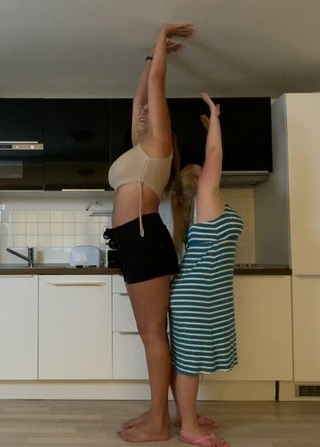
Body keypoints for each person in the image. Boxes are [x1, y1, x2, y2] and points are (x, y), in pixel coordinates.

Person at [102, 22, 193, 443]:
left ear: (160, 124)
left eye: (149, 114)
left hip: (144, 239)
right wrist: (147, 59)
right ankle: (156, 411)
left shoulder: (160, 147)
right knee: (150, 334)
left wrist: (160, 39)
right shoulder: (136, 150)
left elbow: (155, 87)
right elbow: (140, 96)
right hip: (131, 242)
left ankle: (159, 423)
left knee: (154, 334)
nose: (141, 114)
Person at [167, 92, 242, 447]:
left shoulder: (203, 207)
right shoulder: (207, 200)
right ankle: (189, 428)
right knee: (189, 364)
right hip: (196, 297)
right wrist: (215, 118)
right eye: (203, 172)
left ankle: (187, 415)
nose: (210, 170)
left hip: (202, 294)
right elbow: (214, 153)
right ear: (199, 184)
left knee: (187, 360)